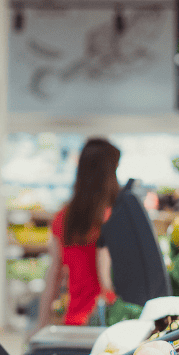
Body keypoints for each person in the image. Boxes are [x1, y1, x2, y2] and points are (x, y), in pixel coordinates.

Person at [34, 138, 120, 334]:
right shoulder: (114, 216)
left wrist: (42, 324)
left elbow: (54, 274)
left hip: (76, 320)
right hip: (111, 318)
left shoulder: (63, 217)